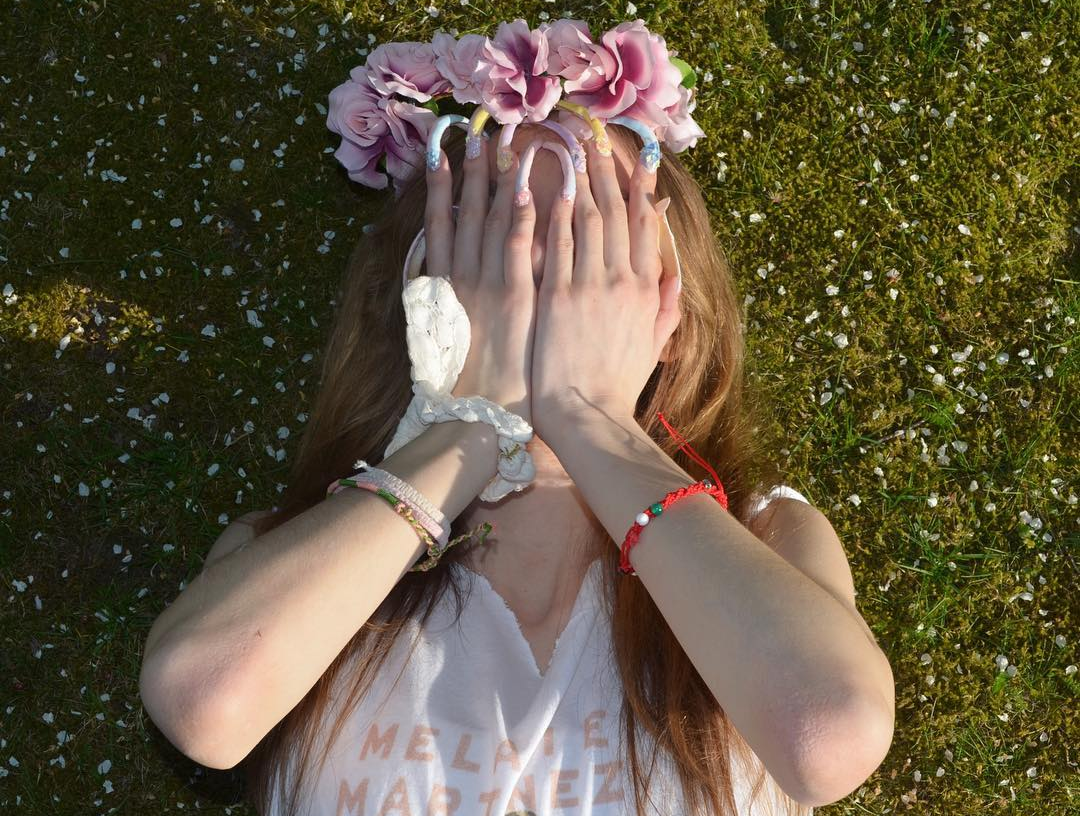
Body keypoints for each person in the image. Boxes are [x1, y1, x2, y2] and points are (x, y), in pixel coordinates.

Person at [139, 18, 894, 816]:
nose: (542, 285)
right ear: (419, 295)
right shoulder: (302, 554)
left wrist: (589, 414)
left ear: (670, 309)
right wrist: (468, 423)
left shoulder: (762, 542)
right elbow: (202, 705)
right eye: (493, 243)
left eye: (590, 250)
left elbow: (829, 739)